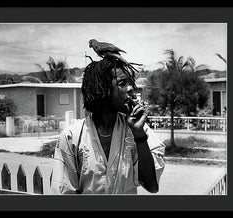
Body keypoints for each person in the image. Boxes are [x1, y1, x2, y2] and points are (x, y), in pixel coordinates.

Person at [51, 56, 165, 194]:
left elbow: (152, 186)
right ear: (103, 89)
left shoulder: (137, 129)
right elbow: (63, 192)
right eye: (122, 83)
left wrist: (140, 136)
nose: (130, 89)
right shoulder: (72, 137)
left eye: (130, 83)